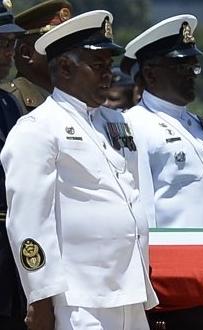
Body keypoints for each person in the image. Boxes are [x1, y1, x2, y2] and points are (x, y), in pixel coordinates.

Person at [1, 10, 158, 330]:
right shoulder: (38, 128)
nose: (109, 75)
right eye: (98, 65)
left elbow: (132, 197)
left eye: (109, 65)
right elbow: (29, 223)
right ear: (65, 67)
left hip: (129, 293)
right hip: (78, 300)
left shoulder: (116, 123)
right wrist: (40, 299)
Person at [121, 14, 203, 228]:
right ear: (150, 74)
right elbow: (141, 209)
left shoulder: (201, 125)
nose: (192, 74)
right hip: (174, 255)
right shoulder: (134, 125)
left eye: (194, 67)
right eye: (182, 67)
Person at [0, 2, 27, 329]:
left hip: (11, 248)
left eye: (11, 44)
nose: (10, 53)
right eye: (2, 44)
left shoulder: (9, 103)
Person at [0, 0, 72, 115]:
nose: (67, 56)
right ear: (26, 52)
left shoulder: (70, 102)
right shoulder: (11, 103)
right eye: (57, 48)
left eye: (70, 47)